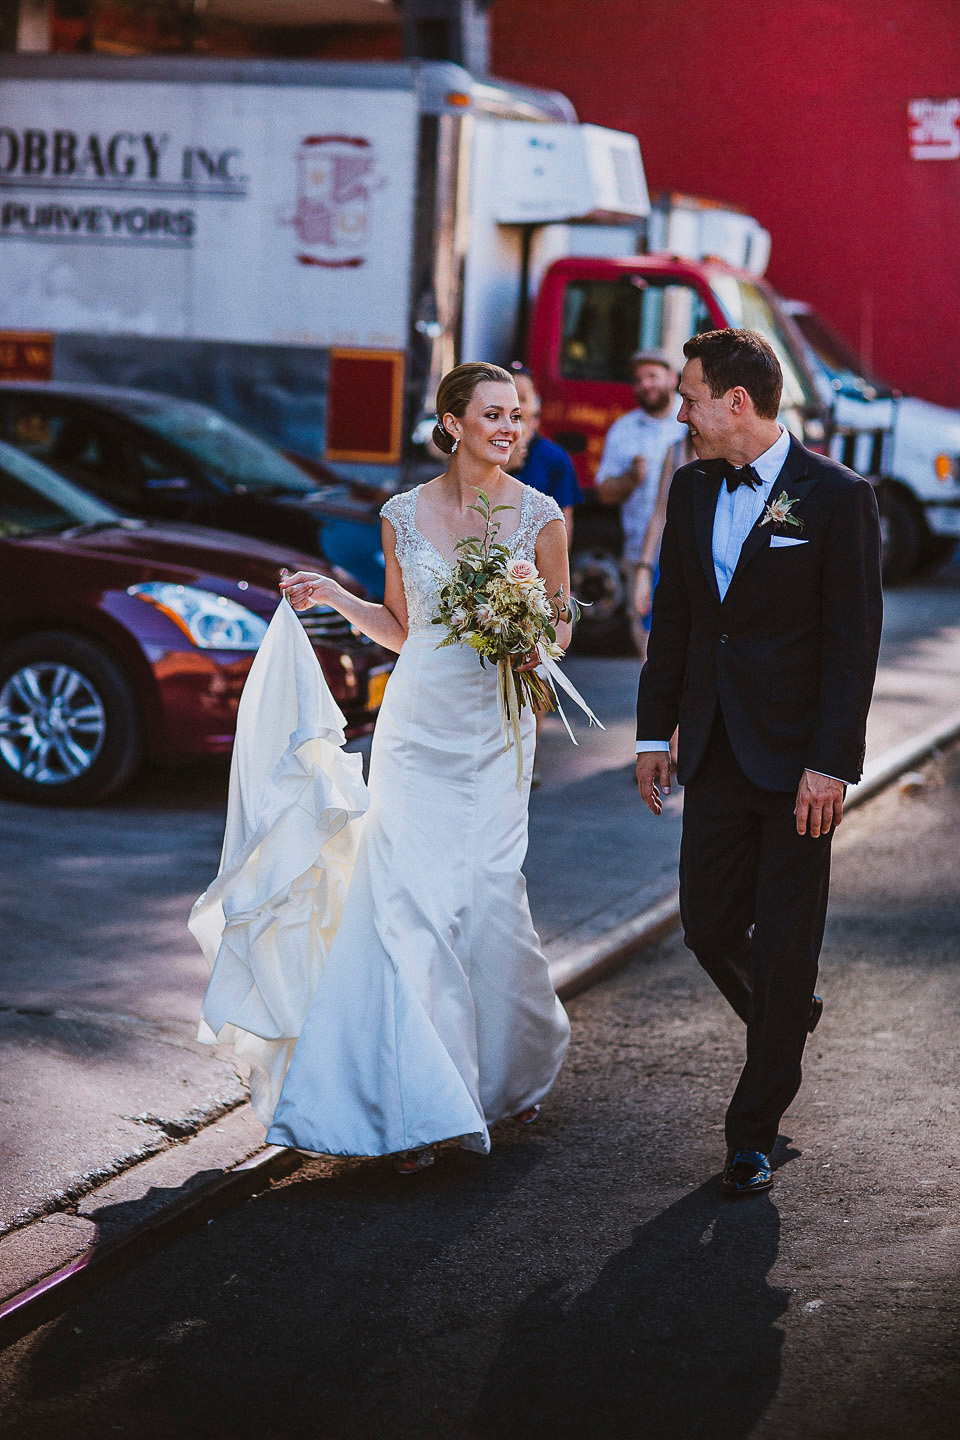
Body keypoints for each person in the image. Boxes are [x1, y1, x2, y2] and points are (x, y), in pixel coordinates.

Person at [193, 362, 571, 1174]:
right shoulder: (401, 514)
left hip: (497, 735)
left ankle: (504, 1072)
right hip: (415, 730)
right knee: (405, 904)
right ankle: (415, 1104)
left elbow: (563, 625)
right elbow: (404, 630)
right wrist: (334, 596)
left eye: (518, 415)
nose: (510, 427)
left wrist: (534, 637)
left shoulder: (542, 516)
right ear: (453, 422)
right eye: (494, 413)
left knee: (489, 898)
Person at [635, 329, 882, 1198]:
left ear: (736, 402)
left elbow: (854, 642)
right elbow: (677, 619)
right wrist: (648, 732)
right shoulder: (693, 484)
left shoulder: (838, 496)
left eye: (690, 397)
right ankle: (789, 1017)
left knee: (785, 947)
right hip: (713, 749)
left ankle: (753, 1132)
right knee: (706, 927)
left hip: (799, 765)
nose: (682, 412)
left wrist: (833, 764)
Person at [595, 348, 687, 658]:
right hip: (640, 553)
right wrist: (631, 479)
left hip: (686, 552)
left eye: (652, 376)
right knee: (644, 631)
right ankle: (654, 699)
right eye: (638, 380)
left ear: (672, 378)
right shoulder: (624, 429)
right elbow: (605, 491)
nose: (645, 385)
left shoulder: (689, 423)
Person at [508, 363, 582, 547]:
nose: (514, 407)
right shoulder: (478, 453)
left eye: (523, 398)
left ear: (537, 404)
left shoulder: (555, 458)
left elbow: (564, 524)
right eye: (506, 399)